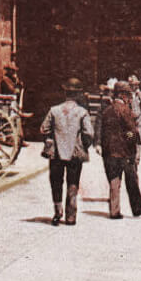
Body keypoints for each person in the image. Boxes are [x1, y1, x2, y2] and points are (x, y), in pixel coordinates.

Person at [40, 78, 94, 226]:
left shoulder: (54, 110)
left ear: (65, 93)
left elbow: (43, 129)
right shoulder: (82, 112)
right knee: (73, 182)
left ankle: (58, 212)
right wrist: (84, 146)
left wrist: (51, 139)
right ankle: (71, 216)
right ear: (78, 95)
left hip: (56, 153)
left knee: (56, 182)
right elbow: (89, 133)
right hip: (75, 153)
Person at [100, 81, 141, 219]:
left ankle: (114, 211)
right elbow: (131, 131)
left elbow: (103, 132)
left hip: (109, 152)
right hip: (124, 152)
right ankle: (137, 209)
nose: (129, 98)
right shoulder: (125, 110)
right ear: (123, 95)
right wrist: (130, 140)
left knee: (114, 181)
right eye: (128, 95)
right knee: (132, 181)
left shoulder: (107, 111)